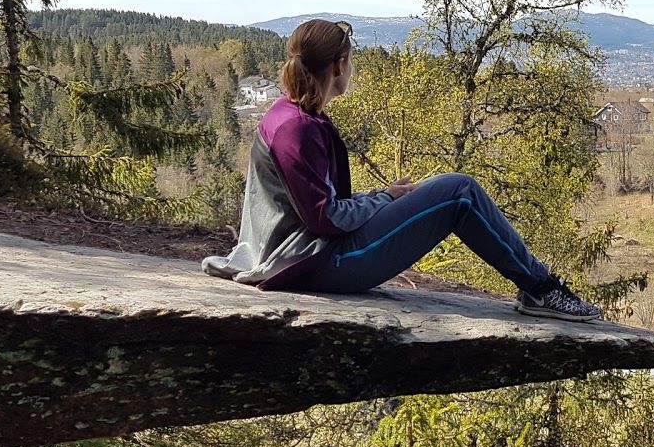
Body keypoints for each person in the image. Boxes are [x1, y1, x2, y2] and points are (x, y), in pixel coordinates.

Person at [202, 19, 602, 321]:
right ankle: (541, 290)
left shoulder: (288, 115)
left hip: (301, 255)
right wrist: (379, 200)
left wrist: (383, 198)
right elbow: (325, 219)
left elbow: (315, 206)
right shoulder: (296, 129)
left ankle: (539, 287)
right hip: (317, 262)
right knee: (459, 192)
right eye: (351, 62)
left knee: (451, 191)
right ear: (339, 65)